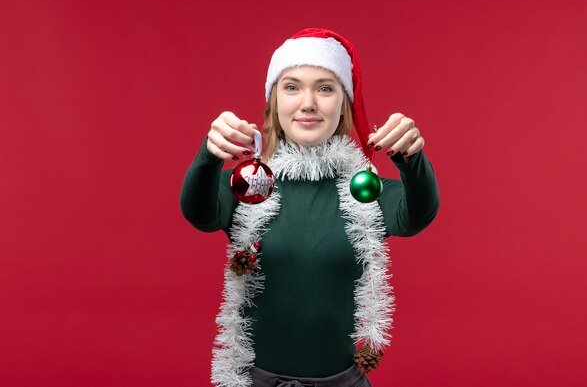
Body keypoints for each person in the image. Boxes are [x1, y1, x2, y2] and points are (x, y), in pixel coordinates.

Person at [180, 28, 440, 387]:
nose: (307, 103)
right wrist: (210, 155)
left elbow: (416, 215)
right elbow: (199, 212)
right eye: (291, 86)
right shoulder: (250, 183)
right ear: (273, 102)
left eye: (325, 87)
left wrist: (412, 159)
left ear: (344, 103)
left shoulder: (364, 189)